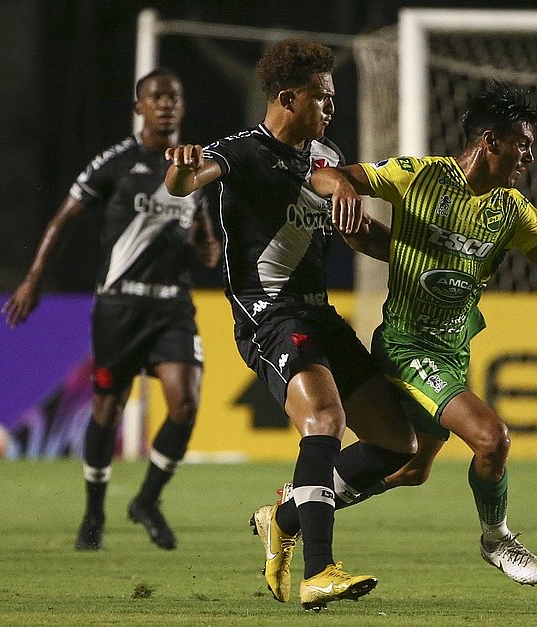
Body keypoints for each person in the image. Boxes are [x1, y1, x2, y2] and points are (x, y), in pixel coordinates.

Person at [310, 81, 537, 586]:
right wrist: (347, 187)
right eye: (521, 142)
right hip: (406, 343)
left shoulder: (512, 210)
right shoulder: (421, 175)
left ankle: (298, 504)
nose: (528, 154)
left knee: (413, 468)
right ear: (489, 140)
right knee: (492, 438)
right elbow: (325, 173)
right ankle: (497, 538)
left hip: (453, 351)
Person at [164, 38, 419, 611]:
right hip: (269, 315)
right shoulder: (243, 151)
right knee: (324, 419)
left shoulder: (322, 152)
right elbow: (188, 181)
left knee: (394, 443)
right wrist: (179, 174)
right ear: (288, 97)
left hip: (317, 313)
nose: (332, 107)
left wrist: (418, 253)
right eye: (323, 98)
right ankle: (319, 570)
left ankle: (280, 516)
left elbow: (349, 216)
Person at [2, 68, 221, 552]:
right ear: (139, 107)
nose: (166, 105)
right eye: (156, 97)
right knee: (107, 408)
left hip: (172, 307)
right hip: (120, 306)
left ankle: (146, 500)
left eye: (175, 98)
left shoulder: (196, 170)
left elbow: (207, 247)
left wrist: (210, 246)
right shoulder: (116, 162)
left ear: (182, 108)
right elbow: (63, 220)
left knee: (184, 404)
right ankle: (94, 514)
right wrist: (34, 278)